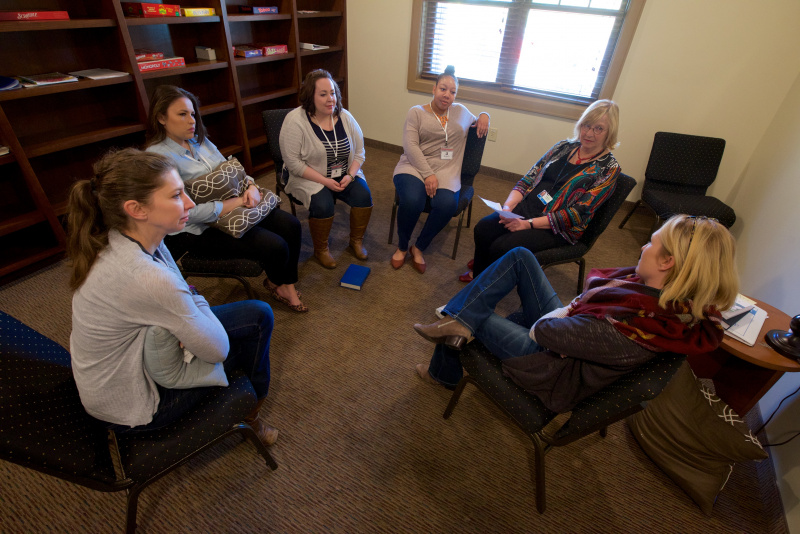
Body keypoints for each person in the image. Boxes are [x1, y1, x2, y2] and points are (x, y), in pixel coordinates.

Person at [413, 215, 738, 413]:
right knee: (519, 257)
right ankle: (457, 324)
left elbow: (543, 331)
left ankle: (444, 366)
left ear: (667, 262)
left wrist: (568, 309)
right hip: (570, 336)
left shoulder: (628, 324)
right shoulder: (659, 300)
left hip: (553, 367)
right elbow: (576, 315)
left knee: (471, 312)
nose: (643, 248)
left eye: (651, 244)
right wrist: (571, 308)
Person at [67, 148, 279, 445]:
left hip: (130, 362)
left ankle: (248, 406)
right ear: (136, 209)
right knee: (249, 333)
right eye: (177, 195)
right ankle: (249, 413)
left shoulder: (131, 236)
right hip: (132, 406)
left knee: (258, 313)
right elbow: (217, 350)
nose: (190, 203)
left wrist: (185, 307)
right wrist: (195, 301)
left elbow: (180, 289)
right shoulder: (144, 275)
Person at [145, 85, 306, 313]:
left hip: (233, 208)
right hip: (199, 229)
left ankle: (281, 283)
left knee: (291, 225)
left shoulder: (200, 142)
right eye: (182, 114)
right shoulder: (157, 158)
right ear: (161, 118)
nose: (191, 121)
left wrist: (251, 185)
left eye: (192, 114)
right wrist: (236, 202)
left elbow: (232, 172)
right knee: (275, 245)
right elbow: (183, 212)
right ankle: (280, 284)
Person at [460, 99, 620, 282]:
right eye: (587, 125)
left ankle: (485, 280)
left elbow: (577, 214)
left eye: (599, 129)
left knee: (502, 246)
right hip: (527, 207)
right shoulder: (563, 147)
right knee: (484, 228)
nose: (589, 133)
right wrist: (508, 207)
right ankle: (482, 269)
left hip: (557, 227)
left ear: (609, 132)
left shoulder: (609, 169)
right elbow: (528, 178)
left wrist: (527, 224)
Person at [391, 65, 490, 273]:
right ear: (434, 89)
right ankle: (402, 246)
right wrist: (428, 174)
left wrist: (484, 114)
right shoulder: (416, 112)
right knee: (413, 200)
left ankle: (418, 247)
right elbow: (410, 146)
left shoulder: (460, 112)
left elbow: (477, 119)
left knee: (447, 205)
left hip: (446, 170)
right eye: (443, 89)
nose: (447, 95)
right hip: (414, 166)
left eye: (452, 92)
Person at [279, 69, 373, 269]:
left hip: (344, 173)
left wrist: (350, 175)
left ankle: (356, 241)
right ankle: (321, 249)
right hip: (308, 176)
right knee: (323, 204)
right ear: (310, 97)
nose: (331, 99)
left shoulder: (345, 117)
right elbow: (294, 163)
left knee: (364, 196)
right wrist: (325, 181)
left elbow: (360, 153)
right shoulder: (295, 121)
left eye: (332, 93)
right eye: (323, 94)